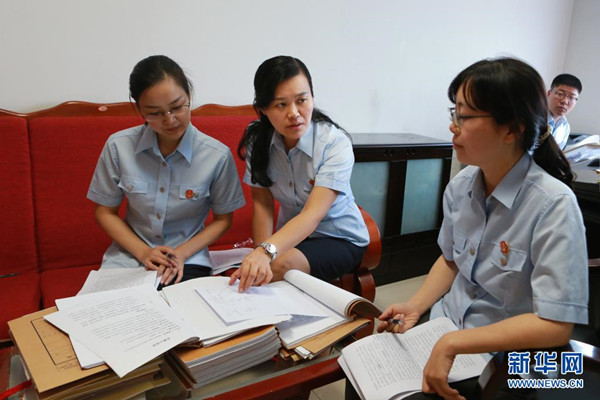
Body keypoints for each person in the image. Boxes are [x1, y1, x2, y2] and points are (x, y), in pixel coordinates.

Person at [372, 58, 588, 400]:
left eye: (465, 116)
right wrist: (416, 306)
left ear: (511, 129)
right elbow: (451, 260)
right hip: (446, 328)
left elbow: (556, 325)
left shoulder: (553, 205)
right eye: (454, 113)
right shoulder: (461, 187)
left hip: (506, 361)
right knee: (366, 372)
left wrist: (454, 343)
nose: (453, 126)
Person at [87, 55, 245, 287]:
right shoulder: (118, 146)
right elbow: (104, 212)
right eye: (155, 113)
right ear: (140, 109)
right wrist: (143, 252)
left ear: (189, 97)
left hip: (187, 259)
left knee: (184, 307)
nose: (170, 120)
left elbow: (223, 220)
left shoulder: (216, 155)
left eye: (177, 107)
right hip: (129, 257)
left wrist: (181, 253)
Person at [229, 55, 369, 292]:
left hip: (339, 238)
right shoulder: (258, 141)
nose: (294, 113)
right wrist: (259, 253)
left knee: (279, 265)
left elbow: (311, 216)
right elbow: (262, 206)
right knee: (261, 269)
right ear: (263, 109)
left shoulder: (334, 143)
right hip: (293, 237)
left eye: (302, 100)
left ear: (312, 97)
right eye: (281, 105)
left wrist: (265, 252)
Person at [547, 73, 582, 150]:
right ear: (549, 94)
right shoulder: (533, 118)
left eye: (571, 97)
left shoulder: (565, 127)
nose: (565, 101)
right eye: (560, 94)